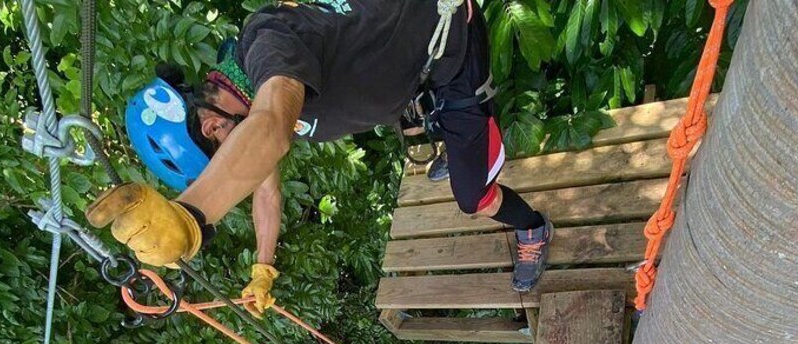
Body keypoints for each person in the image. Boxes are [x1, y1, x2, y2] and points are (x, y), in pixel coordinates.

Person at [85, 0, 553, 318]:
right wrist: (262, 269)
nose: (236, 161)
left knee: (474, 197)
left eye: (222, 153)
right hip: (412, 62)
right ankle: (451, 142)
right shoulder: (246, 106)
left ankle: (531, 225)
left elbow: (269, 126)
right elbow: (263, 186)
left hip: (451, 46)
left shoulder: (267, 49)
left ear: (211, 126)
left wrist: (192, 217)